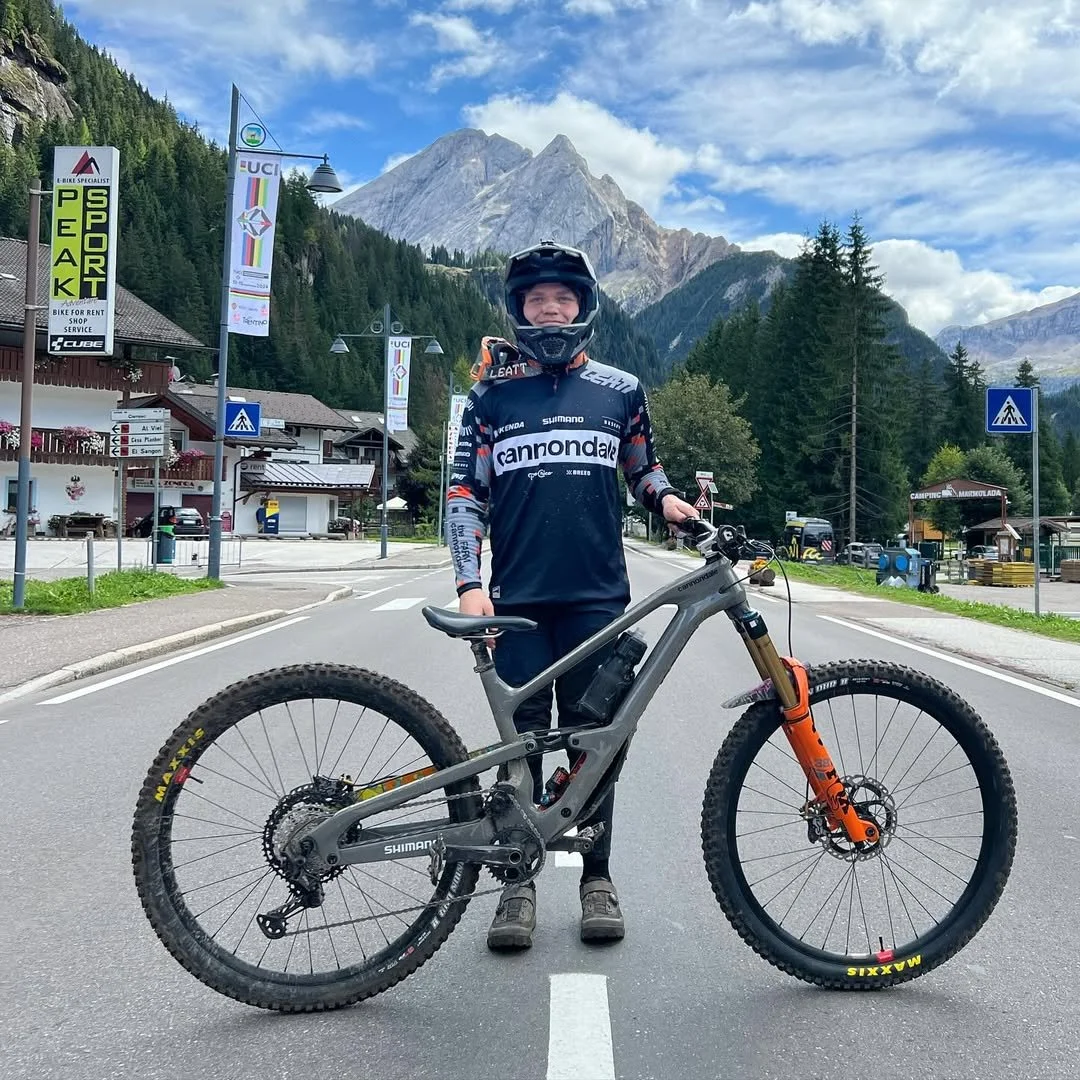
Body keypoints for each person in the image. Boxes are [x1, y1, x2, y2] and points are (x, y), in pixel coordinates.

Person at [446, 240, 698, 950]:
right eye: (536, 300)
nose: (549, 310)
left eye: (562, 298)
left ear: (584, 307)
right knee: (521, 749)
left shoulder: (620, 391)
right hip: (517, 602)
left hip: (597, 601)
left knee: (597, 749)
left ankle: (597, 878)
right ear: (518, 311)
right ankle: (517, 886)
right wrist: (471, 587)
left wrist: (670, 501)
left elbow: (643, 469)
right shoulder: (492, 397)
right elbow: (465, 492)